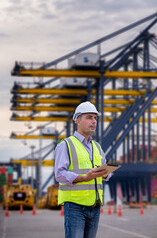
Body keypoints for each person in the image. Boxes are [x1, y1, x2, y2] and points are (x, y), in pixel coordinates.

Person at [55, 101, 111, 238]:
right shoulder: (66, 145)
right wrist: (84, 177)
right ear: (78, 120)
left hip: (95, 206)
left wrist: (105, 173)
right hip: (75, 207)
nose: (94, 121)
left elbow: (106, 176)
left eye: (95, 118)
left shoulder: (97, 147)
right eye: (89, 117)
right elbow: (60, 174)